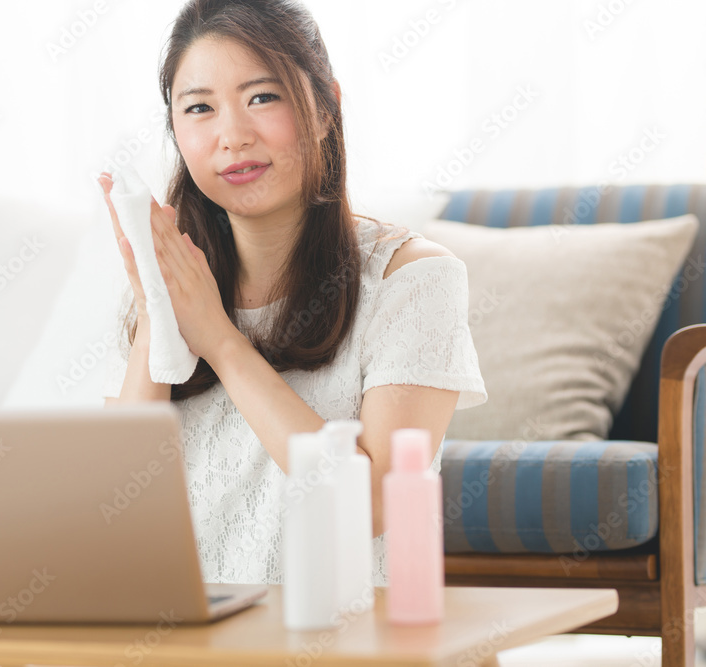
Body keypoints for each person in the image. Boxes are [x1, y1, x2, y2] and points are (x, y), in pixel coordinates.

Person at [97, 0, 487, 586]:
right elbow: (117, 515)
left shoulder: (413, 279)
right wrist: (159, 305)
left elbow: (369, 508)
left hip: (343, 628)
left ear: (325, 108)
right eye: (199, 108)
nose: (232, 137)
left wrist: (221, 342)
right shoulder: (172, 288)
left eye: (262, 97)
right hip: (180, 628)